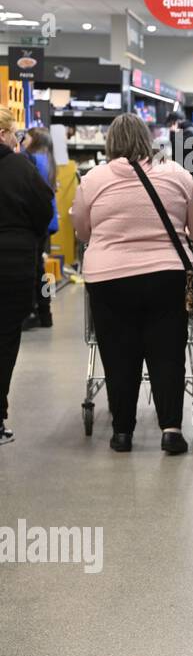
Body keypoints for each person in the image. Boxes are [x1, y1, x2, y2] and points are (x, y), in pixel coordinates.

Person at [71, 114, 193, 454]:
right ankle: (172, 430)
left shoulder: (93, 179)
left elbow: (82, 231)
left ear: (109, 143)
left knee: (119, 354)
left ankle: (122, 432)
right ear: (148, 140)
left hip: (109, 280)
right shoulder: (177, 174)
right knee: (167, 352)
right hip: (167, 276)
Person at [0, 110, 55, 445]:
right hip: (13, 264)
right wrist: (29, 239)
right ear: (5, 133)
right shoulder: (23, 168)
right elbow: (44, 211)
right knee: (5, 340)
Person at [21, 127, 58, 330]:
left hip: (37, 222)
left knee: (35, 268)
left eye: (25, 137)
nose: (23, 141)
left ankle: (37, 311)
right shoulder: (48, 160)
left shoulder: (34, 160)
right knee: (42, 268)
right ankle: (46, 310)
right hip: (48, 221)